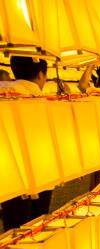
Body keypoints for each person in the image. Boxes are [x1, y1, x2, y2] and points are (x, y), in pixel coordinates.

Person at [0, 57, 52, 231]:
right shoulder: (43, 102)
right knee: (36, 226)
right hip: (41, 173)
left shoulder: (4, 93)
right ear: (40, 74)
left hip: (8, 174)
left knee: (13, 229)